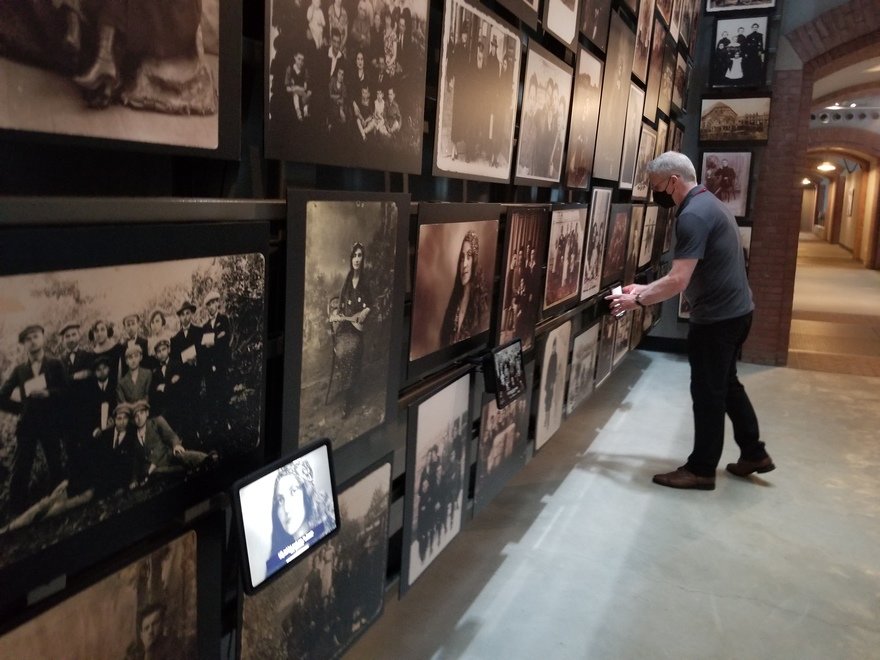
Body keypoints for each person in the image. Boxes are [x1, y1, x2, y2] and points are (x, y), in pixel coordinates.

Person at [607, 151, 771, 490]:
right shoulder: (709, 202)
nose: (656, 194)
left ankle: (701, 470)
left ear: (673, 181)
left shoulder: (693, 215)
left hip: (717, 320)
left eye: (656, 187)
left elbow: (679, 280)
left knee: (708, 392)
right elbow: (688, 272)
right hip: (738, 312)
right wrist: (647, 287)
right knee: (727, 386)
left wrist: (636, 298)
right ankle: (754, 453)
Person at [0, 325, 69, 518]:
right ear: (24, 345)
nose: (32, 341)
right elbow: (2, 396)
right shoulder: (19, 370)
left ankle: (57, 505)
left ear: (43, 338)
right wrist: (22, 408)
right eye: (28, 339)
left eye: (36, 336)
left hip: (50, 423)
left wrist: (49, 394)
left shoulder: (55, 364)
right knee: (22, 466)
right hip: (28, 426)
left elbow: (66, 391)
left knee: (55, 462)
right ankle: (18, 512)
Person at [266, 458, 337, 576]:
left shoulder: (326, 530)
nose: (286, 508)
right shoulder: (278, 560)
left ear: (306, 493)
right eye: (280, 500)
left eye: (293, 491)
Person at [329, 242, 372, 418]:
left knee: (354, 348)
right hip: (344, 329)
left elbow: (370, 304)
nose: (356, 259)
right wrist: (336, 315)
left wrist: (364, 312)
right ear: (351, 258)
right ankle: (348, 393)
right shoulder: (347, 281)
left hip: (356, 330)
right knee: (345, 350)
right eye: (354, 255)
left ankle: (349, 396)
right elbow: (339, 309)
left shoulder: (365, 281)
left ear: (363, 259)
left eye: (360, 255)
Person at [129, 400, 215, 485]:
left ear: (147, 413)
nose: (139, 418)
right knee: (158, 473)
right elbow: (136, 462)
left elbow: (171, 436)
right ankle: (185, 471)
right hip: (153, 468)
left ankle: (208, 459)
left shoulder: (156, 422)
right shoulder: (134, 439)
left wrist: (176, 445)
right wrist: (134, 480)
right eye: (136, 416)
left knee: (183, 456)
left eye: (141, 413)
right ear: (133, 420)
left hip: (167, 457)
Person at [441, 230, 490, 345]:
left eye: (469, 256)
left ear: (475, 261)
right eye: (462, 258)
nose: (464, 264)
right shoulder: (455, 300)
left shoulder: (482, 304)